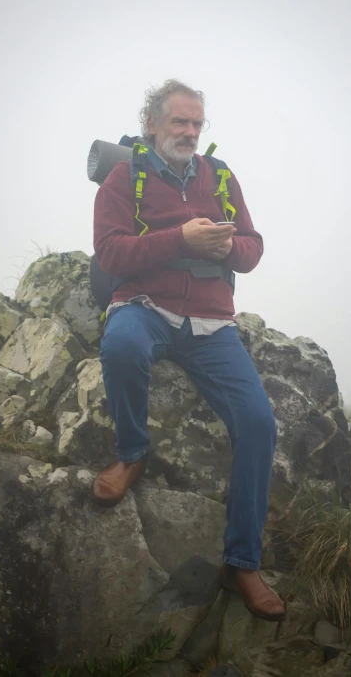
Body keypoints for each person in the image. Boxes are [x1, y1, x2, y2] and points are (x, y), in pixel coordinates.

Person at [92, 80, 285, 621]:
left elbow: (253, 247)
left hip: (211, 322)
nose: (191, 133)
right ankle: (132, 453)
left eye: (198, 124)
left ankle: (242, 562)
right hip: (145, 304)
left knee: (259, 421)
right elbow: (109, 253)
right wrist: (180, 240)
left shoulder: (220, 177)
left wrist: (229, 246)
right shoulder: (122, 177)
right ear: (153, 122)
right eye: (180, 122)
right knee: (122, 346)